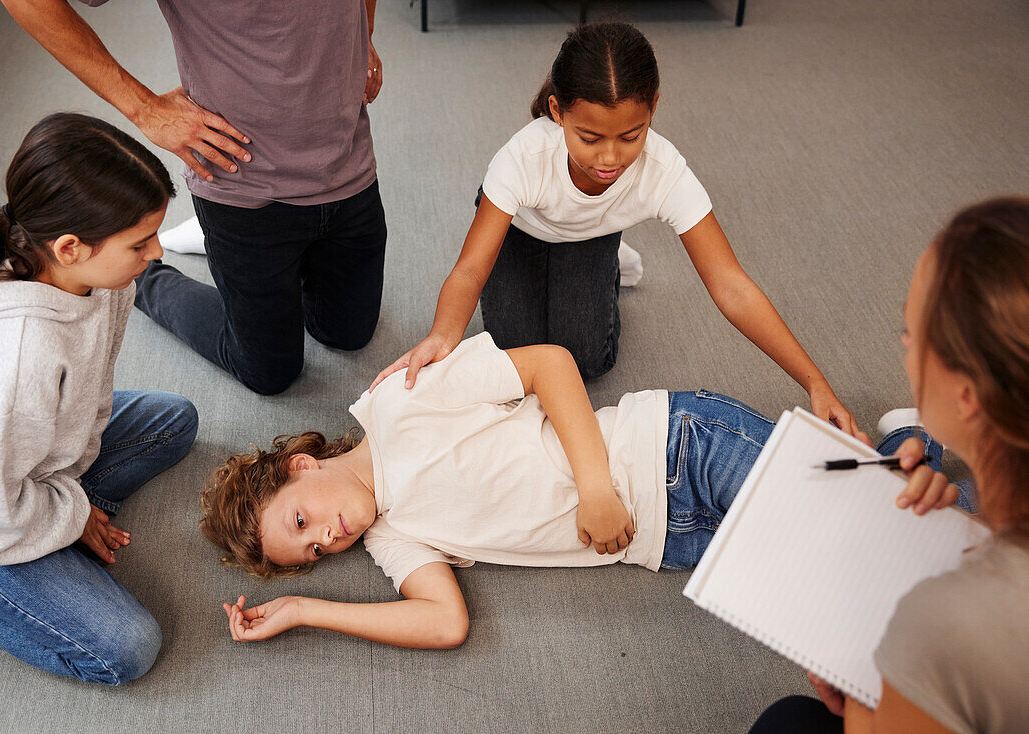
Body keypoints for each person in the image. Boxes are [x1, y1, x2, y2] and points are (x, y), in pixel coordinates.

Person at [201, 331, 947, 649]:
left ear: (303, 465)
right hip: (671, 540)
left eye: (301, 519)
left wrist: (595, 489)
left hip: (677, 444)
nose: (325, 538)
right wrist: (302, 610)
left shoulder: (400, 400)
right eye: (310, 554)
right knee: (860, 578)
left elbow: (551, 364)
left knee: (910, 552)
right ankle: (908, 445)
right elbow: (442, 624)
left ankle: (935, 439)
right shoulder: (393, 537)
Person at [373, 22, 861, 438]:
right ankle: (597, 259)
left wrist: (815, 383)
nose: (610, 158)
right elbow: (470, 268)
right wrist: (443, 333)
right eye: (589, 137)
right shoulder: (522, 157)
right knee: (511, 354)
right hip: (518, 232)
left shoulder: (665, 170)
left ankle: (608, 261)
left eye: (631, 136)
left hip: (589, 235)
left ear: (652, 107)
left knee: (585, 361)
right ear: (557, 111)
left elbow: (730, 284)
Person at [0, 113, 199, 685]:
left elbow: (91, 388)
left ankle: (46, 536)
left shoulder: (92, 274)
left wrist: (61, 506)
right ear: (71, 247)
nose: (155, 254)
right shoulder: (15, 363)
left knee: (174, 420)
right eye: (140, 241)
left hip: (19, 453)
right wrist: (72, 516)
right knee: (126, 649)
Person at [2, 0, 388, 395]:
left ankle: (217, 245)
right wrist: (144, 108)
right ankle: (151, 281)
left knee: (346, 334)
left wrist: (363, 35)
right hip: (241, 183)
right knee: (270, 374)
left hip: (347, 163)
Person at [749, 197, 1029, 733]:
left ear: (966, 395)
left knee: (786, 724)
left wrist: (865, 669)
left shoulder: (940, 625)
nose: (905, 348)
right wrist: (968, 536)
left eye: (912, 335)